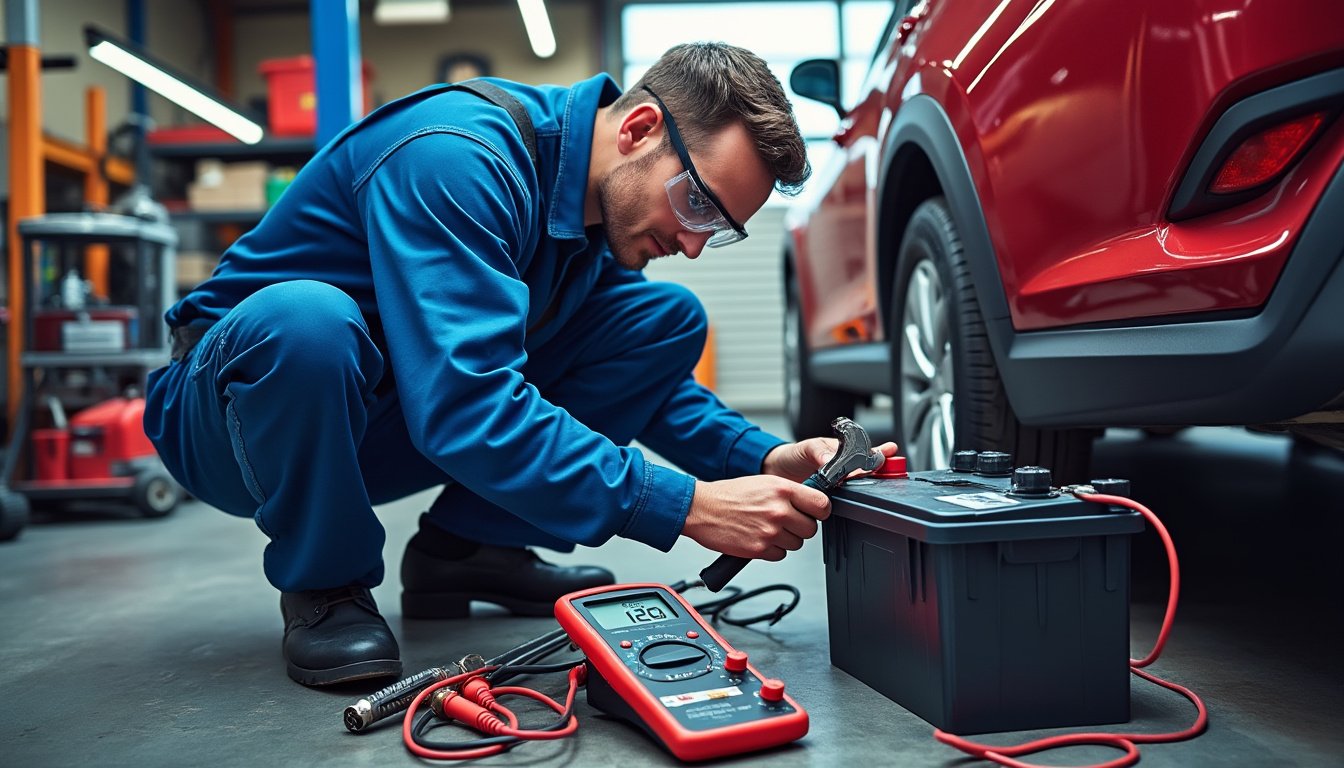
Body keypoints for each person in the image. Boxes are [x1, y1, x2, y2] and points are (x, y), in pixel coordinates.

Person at [144, 42, 896, 688]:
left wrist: (765, 456)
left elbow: (653, 390)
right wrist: (691, 507)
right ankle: (325, 584)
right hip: (237, 418)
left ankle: (469, 550)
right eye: (697, 208)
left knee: (664, 320)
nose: (695, 245)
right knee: (306, 323)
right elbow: (468, 405)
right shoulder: (457, 155)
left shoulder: (592, 224)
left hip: (379, 414)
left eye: (720, 230)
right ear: (638, 129)